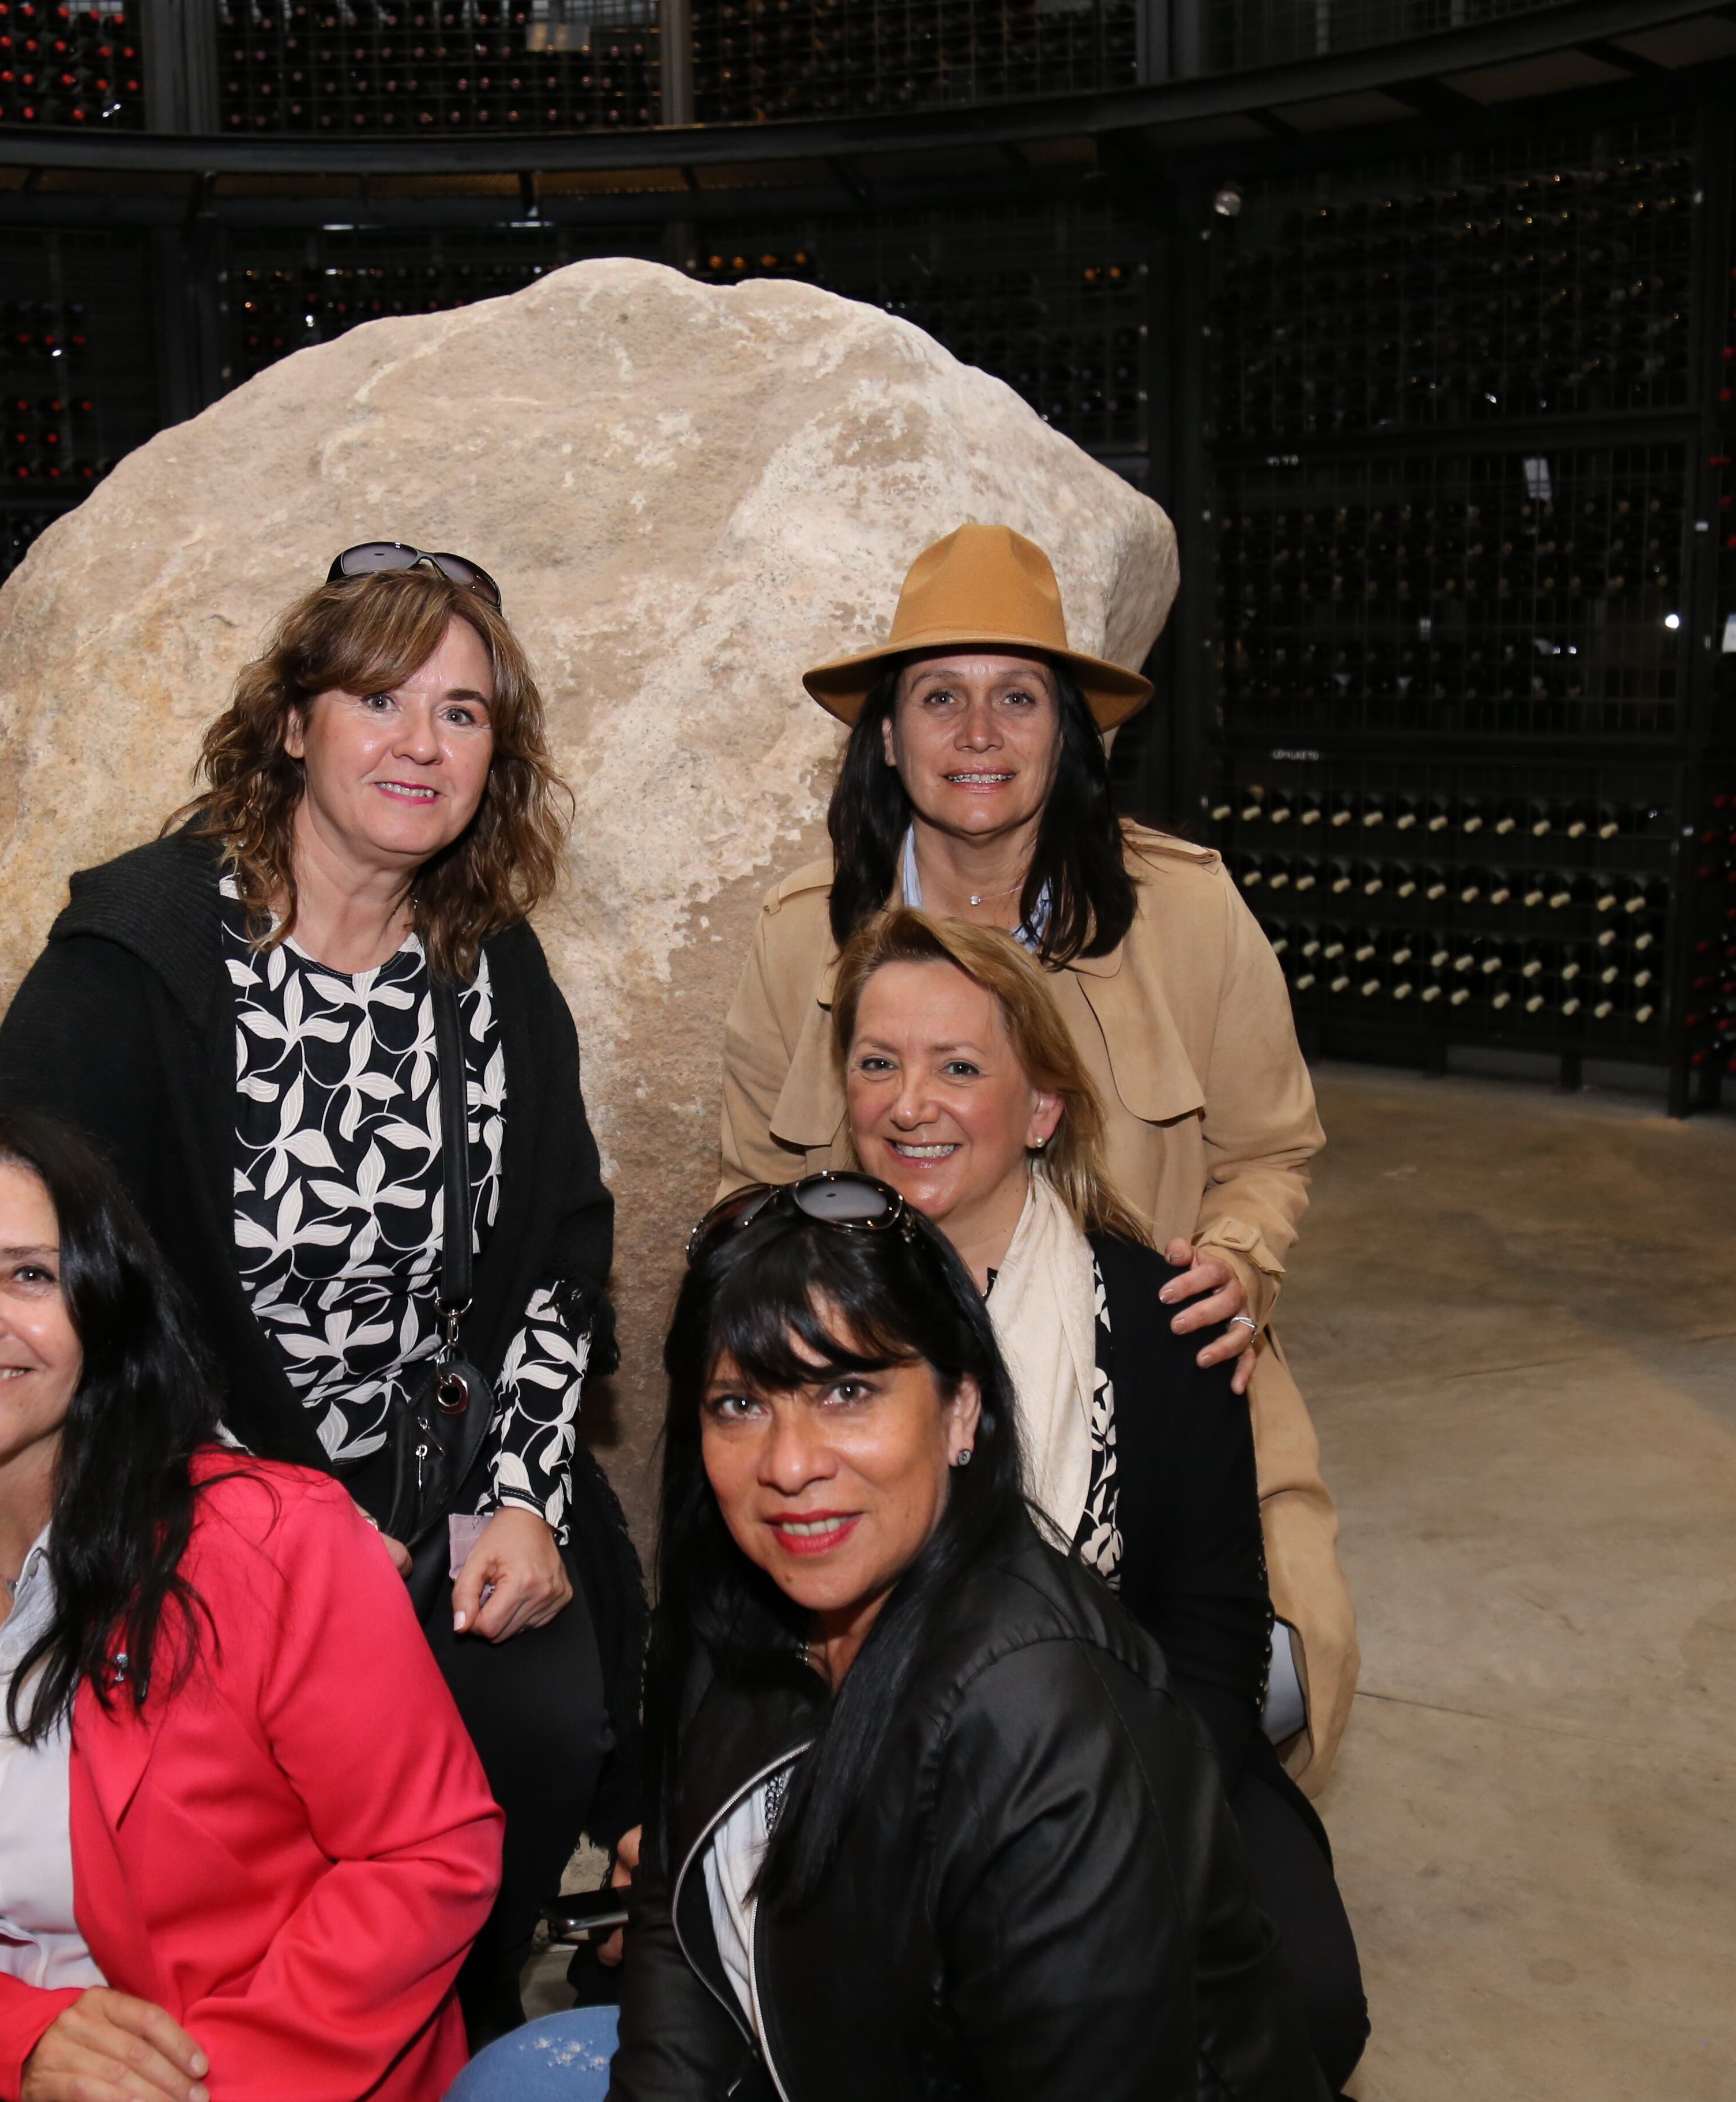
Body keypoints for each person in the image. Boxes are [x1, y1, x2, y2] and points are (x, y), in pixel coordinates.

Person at [0, 546, 638, 2040]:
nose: (420, 741)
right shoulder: (135, 959)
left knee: (534, 1725)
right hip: (188, 1498)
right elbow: (35, 1273)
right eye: (380, 696)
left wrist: (525, 1493)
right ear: (290, 722)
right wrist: (250, 1514)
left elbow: (557, 1251)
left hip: (433, 1494)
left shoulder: (489, 972)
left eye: (463, 714)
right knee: (249, 1812)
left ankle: (438, 2029)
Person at [453, 1175, 1327, 2102]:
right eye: (739, 1405)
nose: (788, 1467)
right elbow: (681, 1926)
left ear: (960, 1410)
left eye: (847, 1391)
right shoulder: (741, 1606)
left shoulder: (1048, 1722)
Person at [717, 522, 1357, 1785]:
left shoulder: (1185, 909)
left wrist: (1237, 1260)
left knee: (1250, 1681)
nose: (977, 733)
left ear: (1067, 732)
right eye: (938, 698)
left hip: (1160, 1408)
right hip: (878, 1414)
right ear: (885, 736)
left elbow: (1273, 1148)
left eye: (1017, 698)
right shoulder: (804, 933)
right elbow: (745, 1185)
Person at [0, 1112, 504, 2101]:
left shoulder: (271, 1539)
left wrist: (204, 2085)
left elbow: (426, 1854)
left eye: (30, 1273)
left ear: (106, 1305)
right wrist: (17, 2042)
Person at [828, 903, 1366, 2088]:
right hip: (862, 1750)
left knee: (1306, 2002)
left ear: (1039, 1109)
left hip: (1139, 1743)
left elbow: (1213, 1633)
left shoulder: (1160, 1320)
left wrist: (1116, 1825)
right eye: (878, 1063)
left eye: (957, 1067)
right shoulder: (793, 1315)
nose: (909, 1102)